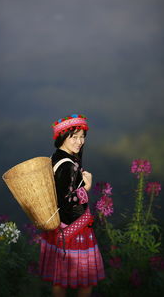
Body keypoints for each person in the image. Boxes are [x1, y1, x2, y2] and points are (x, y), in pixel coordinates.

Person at [39, 114, 105, 297]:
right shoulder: (69, 166)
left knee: (60, 281)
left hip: (57, 228)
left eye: (82, 136)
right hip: (74, 230)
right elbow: (67, 201)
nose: (80, 141)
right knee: (86, 282)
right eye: (74, 137)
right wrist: (88, 187)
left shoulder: (55, 157)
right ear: (62, 137)